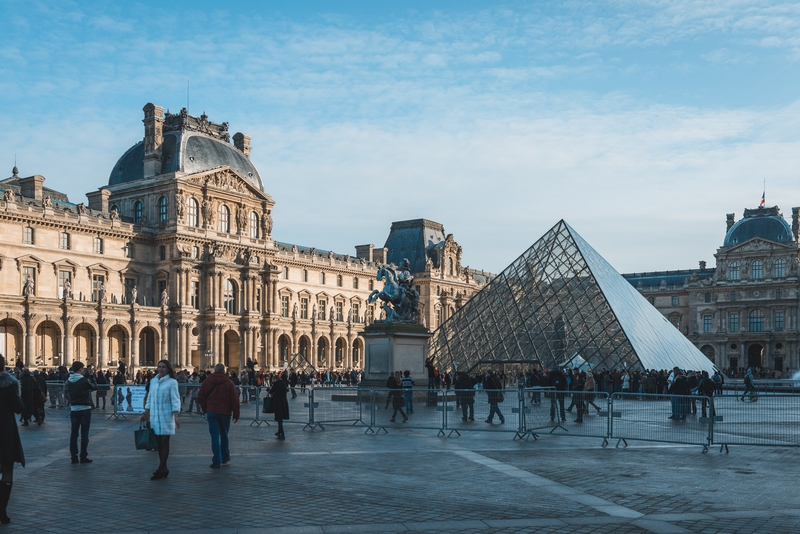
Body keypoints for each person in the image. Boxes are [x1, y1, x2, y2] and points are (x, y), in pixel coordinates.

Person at [143, 360, 181, 480]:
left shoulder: (172, 382)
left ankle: (160, 469)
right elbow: (149, 398)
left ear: (168, 369)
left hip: (165, 416)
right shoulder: (153, 381)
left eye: (163, 367)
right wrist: (146, 412)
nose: (161, 369)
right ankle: (164, 468)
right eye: (159, 367)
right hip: (155, 416)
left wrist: (176, 415)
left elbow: (175, 400)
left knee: (165, 442)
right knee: (159, 443)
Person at [197, 364, 240, 468]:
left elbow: (200, 396)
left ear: (215, 370)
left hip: (212, 412)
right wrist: (236, 414)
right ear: (224, 371)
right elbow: (235, 400)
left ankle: (216, 460)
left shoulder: (207, 381)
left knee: (214, 436)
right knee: (224, 435)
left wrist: (205, 408)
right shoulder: (229, 383)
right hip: (225, 413)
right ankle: (225, 456)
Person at [0, 356, 25, 524]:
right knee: (7, 470)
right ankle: (2, 511)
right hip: (4, 431)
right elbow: (19, 408)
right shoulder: (9, 385)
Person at [65, 361, 97, 464]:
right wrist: (92, 376)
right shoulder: (84, 381)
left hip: (74, 409)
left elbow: (66, 394)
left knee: (74, 434)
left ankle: (73, 457)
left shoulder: (68, 381)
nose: (84, 370)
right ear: (79, 370)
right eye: (83, 369)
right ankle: (83, 456)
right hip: (84, 409)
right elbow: (94, 387)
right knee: (84, 434)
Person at [268, 373, 289, 439]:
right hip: (283, 402)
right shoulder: (284, 383)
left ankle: (282, 433)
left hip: (277, 402)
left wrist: (269, 390)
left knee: (279, 418)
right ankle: (279, 431)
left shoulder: (276, 384)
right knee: (280, 418)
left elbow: (271, 391)